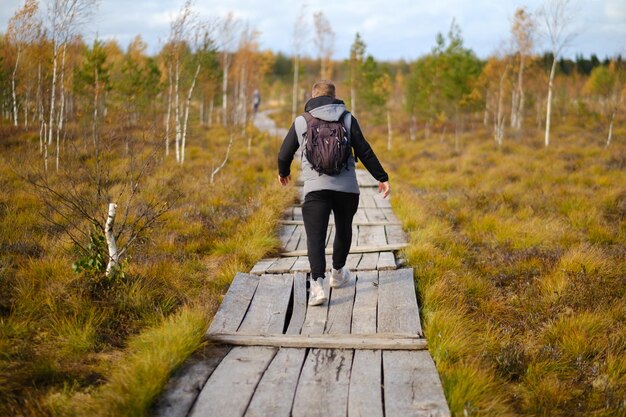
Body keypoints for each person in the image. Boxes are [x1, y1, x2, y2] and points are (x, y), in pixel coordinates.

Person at [278, 80, 390, 306]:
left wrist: (284, 172)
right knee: (344, 229)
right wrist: (382, 177)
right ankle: (337, 274)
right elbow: (365, 151)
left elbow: (284, 153)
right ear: (334, 96)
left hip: (315, 189)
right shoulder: (347, 118)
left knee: (315, 236)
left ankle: (317, 286)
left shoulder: (302, 121)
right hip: (346, 188)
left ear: (313, 96)